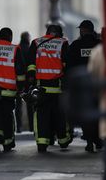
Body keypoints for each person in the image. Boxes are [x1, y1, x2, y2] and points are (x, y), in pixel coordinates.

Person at [27, 24, 72, 153]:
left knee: (41, 115)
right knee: (60, 115)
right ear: (58, 33)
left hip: (41, 88)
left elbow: (31, 64)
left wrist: (31, 80)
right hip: (57, 87)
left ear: (47, 32)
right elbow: (66, 64)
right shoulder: (62, 43)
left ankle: (42, 143)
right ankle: (63, 141)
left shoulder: (36, 42)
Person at [67, 20, 103, 152]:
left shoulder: (76, 45)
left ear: (83, 30)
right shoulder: (99, 45)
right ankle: (98, 139)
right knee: (98, 112)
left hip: (82, 86)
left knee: (85, 114)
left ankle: (89, 140)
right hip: (98, 84)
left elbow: (69, 65)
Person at [15, 31, 33, 133]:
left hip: (18, 81)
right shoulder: (30, 49)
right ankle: (31, 127)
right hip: (29, 81)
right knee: (30, 104)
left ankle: (19, 127)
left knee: (18, 105)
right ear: (27, 38)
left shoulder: (17, 48)